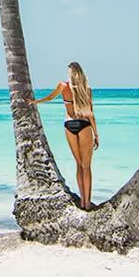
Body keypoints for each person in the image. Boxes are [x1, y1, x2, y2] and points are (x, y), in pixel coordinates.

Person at [32, 62, 98, 209]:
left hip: (69, 125)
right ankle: (87, 203)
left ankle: (81, 201)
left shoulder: (63, 86)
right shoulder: (86, 90)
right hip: (84, 124)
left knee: (79, 165)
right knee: (86, 167)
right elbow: (91, 114)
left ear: (71, 73)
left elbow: (50, 97)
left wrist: (36, 102)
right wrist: (96, 134)